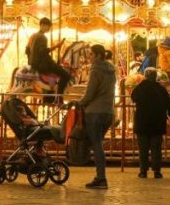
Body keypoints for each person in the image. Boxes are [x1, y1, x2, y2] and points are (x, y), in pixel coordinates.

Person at [77, 44, 116, 190]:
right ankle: (100, 176)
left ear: (99, 55)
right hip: (108, 112)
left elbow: (90, 93)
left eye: (91, 54)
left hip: (95, 112)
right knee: (98, 143)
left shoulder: (95, 70)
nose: (89, 57)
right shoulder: (111, 70)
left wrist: (79, 103)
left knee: (97, 145)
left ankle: (101, 178)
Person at [130, 68, 170, 179]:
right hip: (157, 122)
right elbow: (168, 102)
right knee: (156, 148)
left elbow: (133, 97)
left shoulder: (140, 88)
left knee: (143, 148)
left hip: (142, 122)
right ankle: (157, 171)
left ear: (145, 76)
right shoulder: (160, 89)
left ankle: (143, 171)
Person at [25, 17, 71, 98]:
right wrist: (56, 47)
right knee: (66, 75)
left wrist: (30, 61)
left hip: (34, 63)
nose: (49, 28)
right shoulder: (43, 37)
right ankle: (59, 97)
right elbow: (42, 51)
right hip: (41, 65)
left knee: (56, 68)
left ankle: (50, 93)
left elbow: (27, 51)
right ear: (42, 25)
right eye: (48, 26)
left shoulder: (33, 36)